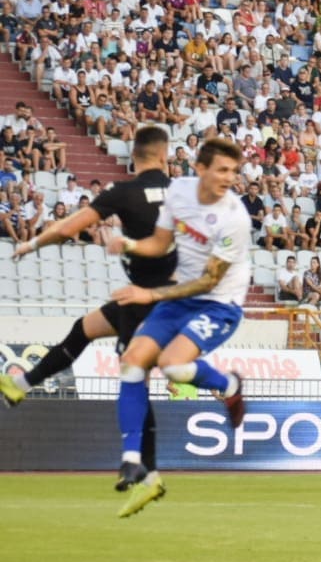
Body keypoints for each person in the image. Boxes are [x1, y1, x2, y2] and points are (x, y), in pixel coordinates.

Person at [1, 128, 175, 507]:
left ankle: (148, 472)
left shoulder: (124, 193)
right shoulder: (184, 193)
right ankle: (23, 383)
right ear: (165, 157)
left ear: (134, 157)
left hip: (144, 300)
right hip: (167, 298)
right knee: (85, 328)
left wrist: (31, 243)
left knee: (135, 383)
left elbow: (68, 227)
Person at [104, 139, 252, 517]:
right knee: (132, 361)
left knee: (172, 366)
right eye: (222, 169)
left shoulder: (235, 218)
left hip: (218, 303)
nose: (229, 178)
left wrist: (149, 294)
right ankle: (132, 459)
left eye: (234, 171)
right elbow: (159, 243)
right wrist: (128, 244)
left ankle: (229, 385)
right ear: (200, 168)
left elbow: (208, 281)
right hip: (180, 298)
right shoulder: (180, 192)